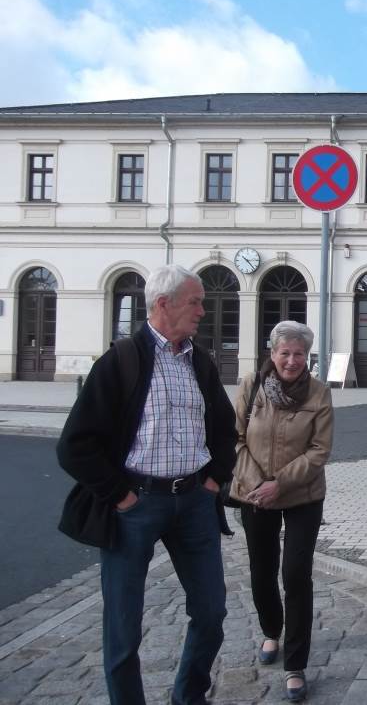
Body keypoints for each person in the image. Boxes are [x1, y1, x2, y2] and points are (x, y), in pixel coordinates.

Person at [57, 264, 237, 705]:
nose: (202, 310)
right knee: (124, 626)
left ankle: (188, 696)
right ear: (164, 304)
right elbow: (74, 445)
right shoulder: (121, 361)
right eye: (194, 301)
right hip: (136, 506)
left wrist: (215, 479)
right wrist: (120, 495)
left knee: (212, 612)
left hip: (194, 501)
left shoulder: (201, 361)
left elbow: (224, 426)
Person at [230, 321, 333, 702]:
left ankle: (295, 664)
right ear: (272, 354)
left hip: (302, 495)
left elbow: (320, 450)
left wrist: (281, 483)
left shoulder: (319, 393)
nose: (292, 361)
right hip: (254, 494)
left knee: (295, 574)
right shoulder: (252, 386)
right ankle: (271, 630)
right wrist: (257, 482)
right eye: (285, 353)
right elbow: (235, 437)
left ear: (307, 357)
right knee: (262, 569)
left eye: (299, 354)